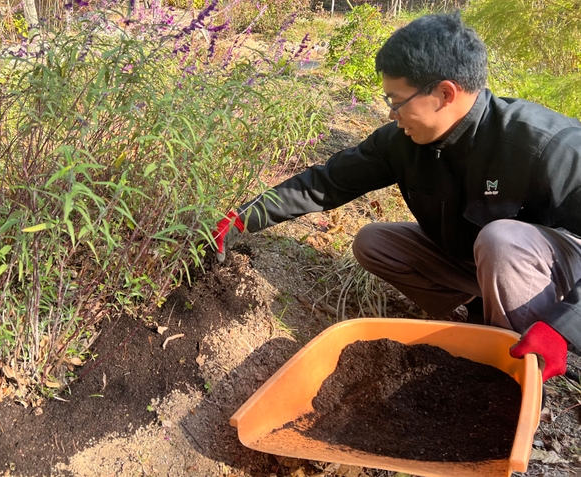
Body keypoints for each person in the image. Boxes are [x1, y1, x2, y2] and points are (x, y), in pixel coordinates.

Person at [213, 12, 581, 382]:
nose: (391, 112)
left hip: (551, 273)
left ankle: (518, 373)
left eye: (397, 100)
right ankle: (480, 314)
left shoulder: (546, 145)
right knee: (373, 242)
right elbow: (325, 183)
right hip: (477, 261)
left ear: (444, 94)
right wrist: (243, 218)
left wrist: (563, 327)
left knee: (502, 240)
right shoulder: (403, 142)